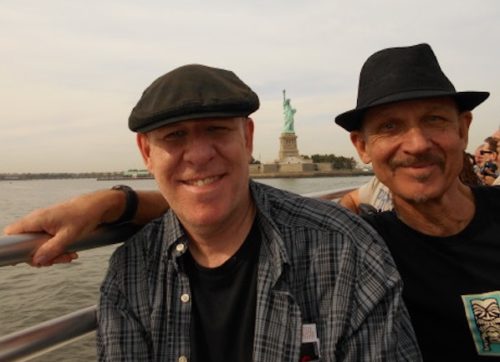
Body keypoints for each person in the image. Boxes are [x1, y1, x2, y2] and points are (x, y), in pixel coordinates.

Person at [6, 64, 421, 361]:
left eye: (217, 130)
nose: (200, 155)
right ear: (147, 154)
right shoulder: (130, 275)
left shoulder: (345, 251)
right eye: (175, 136)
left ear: (248, 138)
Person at [334, 43, 500, 361]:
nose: (418, 145)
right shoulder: (358, 252)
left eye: (434, 120)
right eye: (389, 126)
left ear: (463, 129)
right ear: (362, 146)